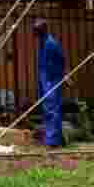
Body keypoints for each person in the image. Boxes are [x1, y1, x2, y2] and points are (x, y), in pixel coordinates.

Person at [34, 19, 65, 147]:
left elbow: (62, 59)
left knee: (52, 108)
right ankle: (50, 137)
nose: (35, 33)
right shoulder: (42, 42)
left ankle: (53, 141)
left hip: (51, 79)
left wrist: (60, 75)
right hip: (44, 78)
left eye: (37, 30)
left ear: (43, 29)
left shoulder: (51, 43)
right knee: (46, 108)